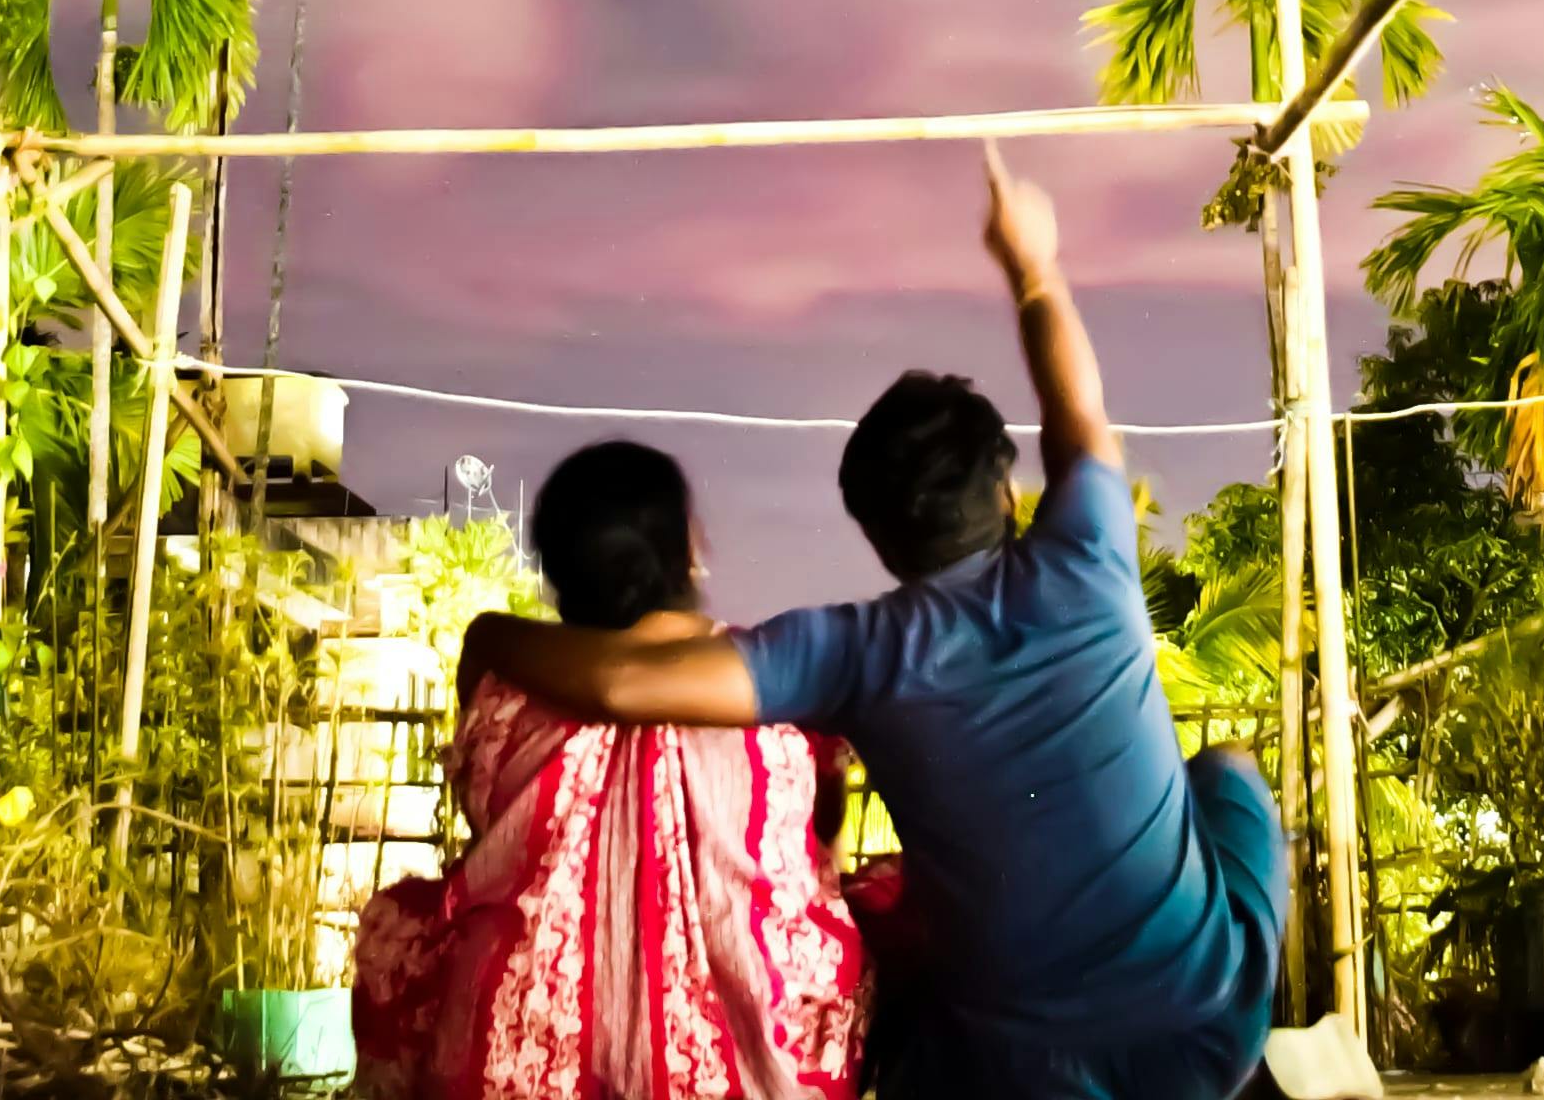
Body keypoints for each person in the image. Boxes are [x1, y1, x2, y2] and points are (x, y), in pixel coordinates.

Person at [461, 151, 1284, 1100]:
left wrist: (490, 635)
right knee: (1228, 775)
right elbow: (1077, 406)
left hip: (1029, 1076)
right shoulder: (1090, 552)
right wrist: (1032, 264)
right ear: (1007, 494)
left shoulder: (853, 652)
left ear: (881, 541)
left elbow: (618, 685)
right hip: (1208, 1026)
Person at [357, 433, 869, 1100]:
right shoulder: (781, 698)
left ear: (557, 569)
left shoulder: (502, 695)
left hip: (511, 1059)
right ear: (687, 549)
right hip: (746, 1068)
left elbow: (484, 832)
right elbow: (815, 850)